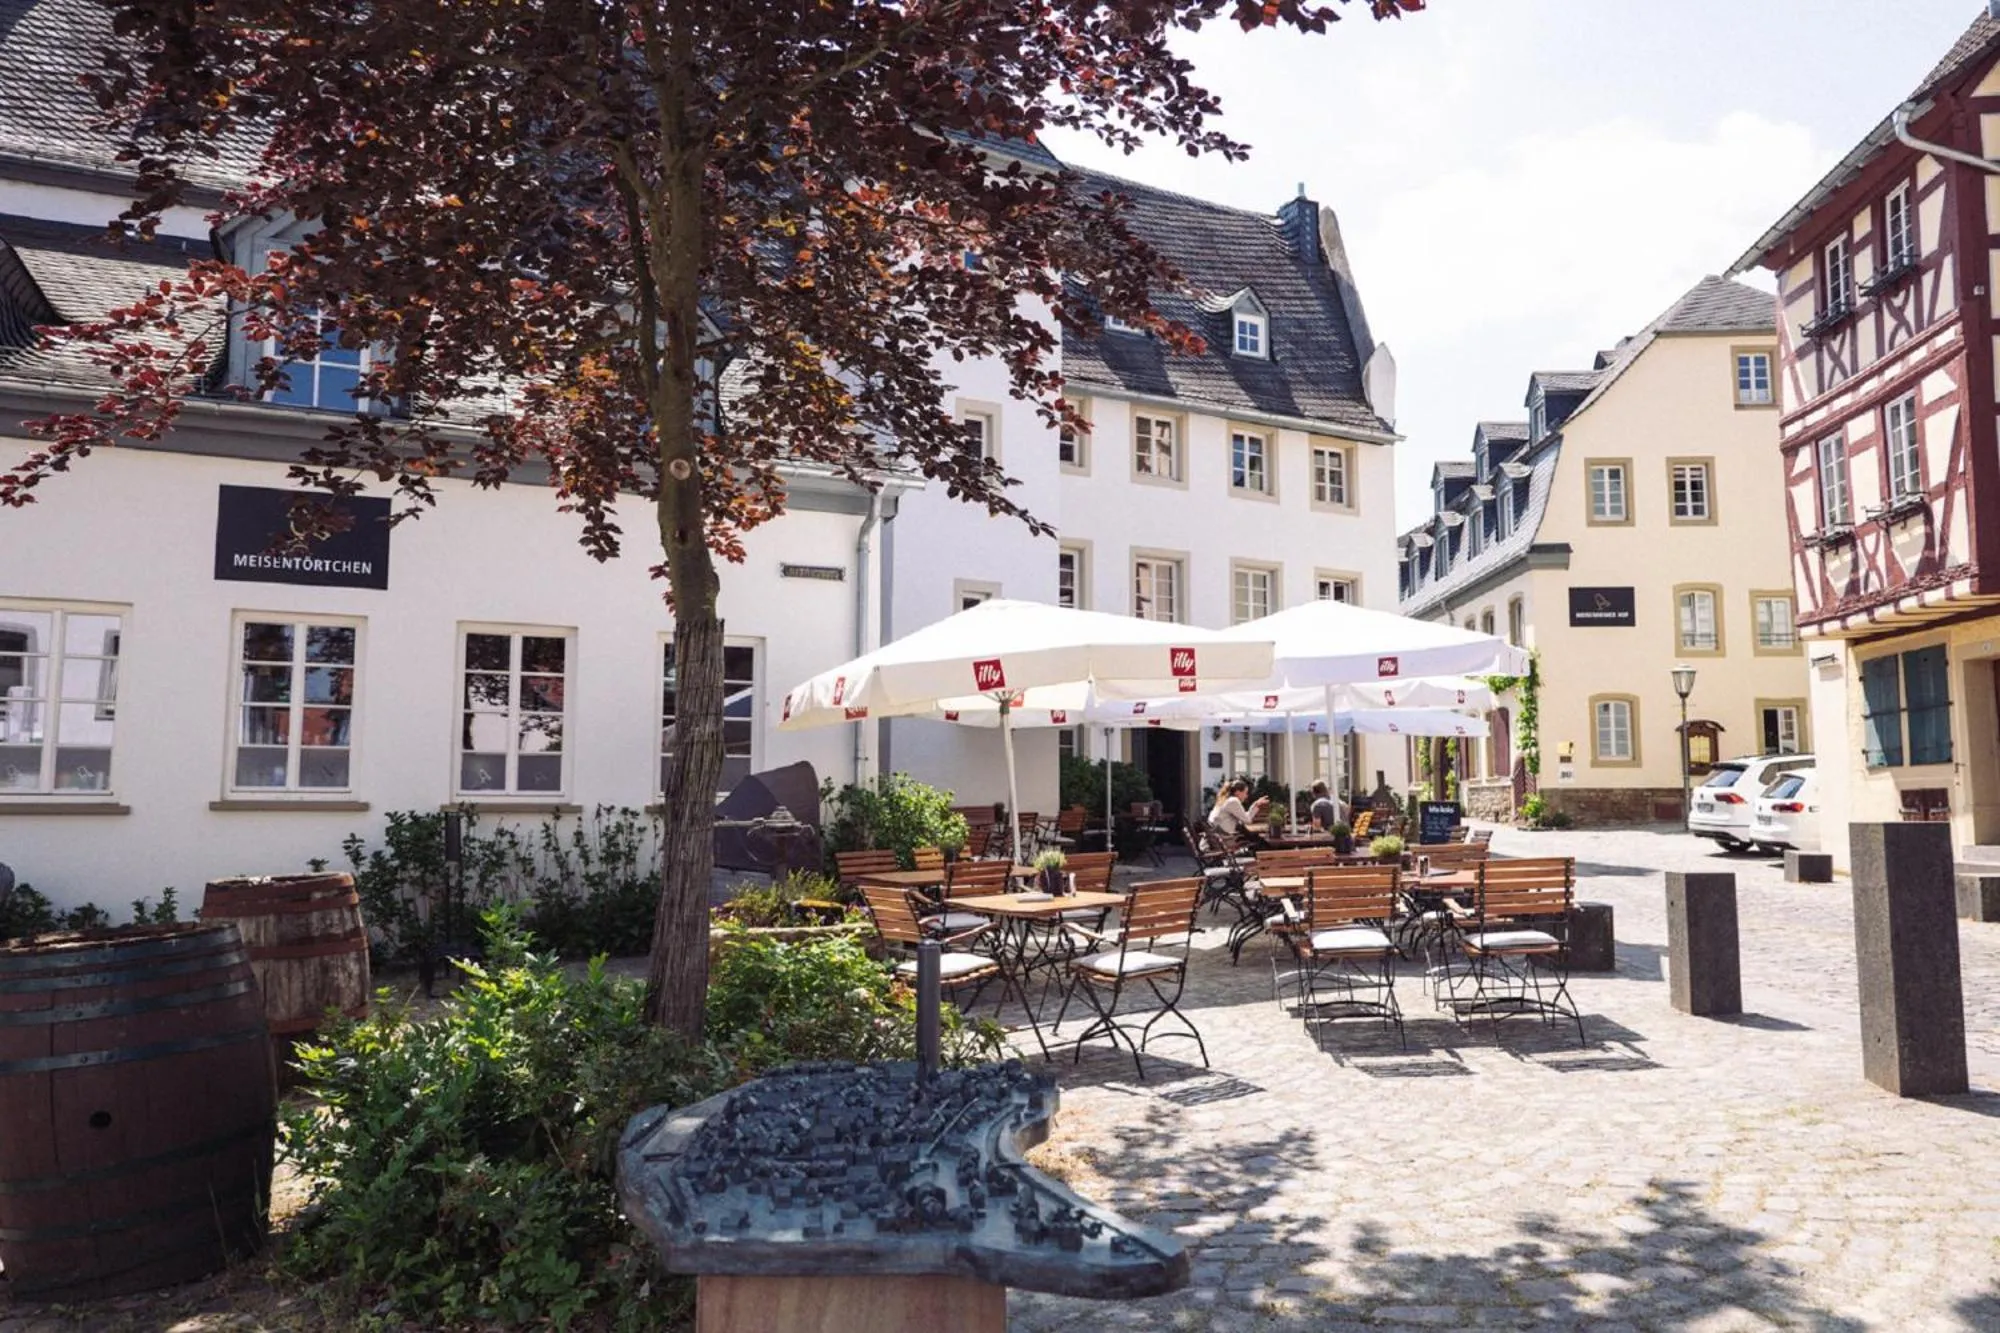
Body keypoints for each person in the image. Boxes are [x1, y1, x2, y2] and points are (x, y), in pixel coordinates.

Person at [1208, 778, 1267, 843]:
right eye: (1245, 793)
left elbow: (1244, 817)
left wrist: (1255, 805)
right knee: (1258, 841)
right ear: (1237, 792)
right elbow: (1247, 820)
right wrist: (1256, 805)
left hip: (1219, 837)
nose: (1246, 796)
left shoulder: (1225, 800)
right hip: (1226, 839)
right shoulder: (1233, 801)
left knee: (1253, 837)